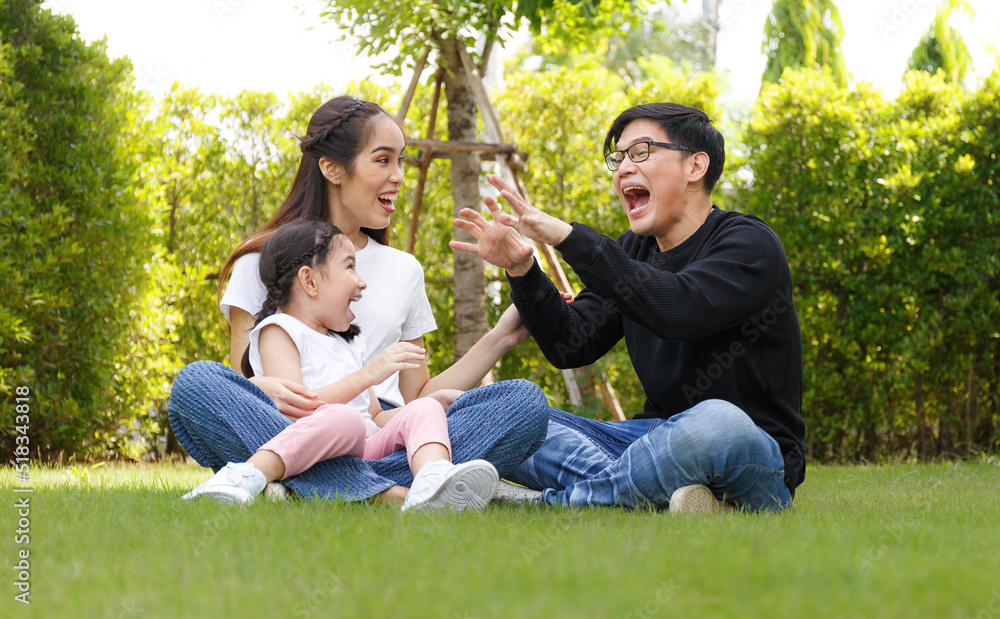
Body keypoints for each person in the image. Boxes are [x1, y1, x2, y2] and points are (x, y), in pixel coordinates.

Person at [168, 96, 548, 506]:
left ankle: (320, 487)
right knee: (196, 384)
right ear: (333, 169)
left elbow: (416, 396)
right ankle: (392, 494)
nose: (399, 175)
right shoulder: (261, 261)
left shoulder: (404, 270)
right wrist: (262, 388)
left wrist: (502, 336)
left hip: (384, 437)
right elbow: (243, 382)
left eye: (401, 161)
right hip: (290, 426)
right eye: (383, 160)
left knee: (522, 405)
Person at [450, 102, 806, 513]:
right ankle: (659, 494)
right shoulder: (633, 250)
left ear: (695, 166)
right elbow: (572, 343)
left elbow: (678, 308)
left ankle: (548, 504)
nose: (622, 169)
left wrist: (569, 237)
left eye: (640, 152)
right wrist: (522, 268)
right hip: (648, 439)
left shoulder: (749, 244)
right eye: (618, 158)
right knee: (495, 412)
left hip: (752, 453)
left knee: (715, 421)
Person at [182, 222, 500, 511]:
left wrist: (428, 407)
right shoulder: (279, 330)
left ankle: (432, 483)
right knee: (345, 419)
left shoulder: (348, 341)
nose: (361, 283)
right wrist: (367, 375)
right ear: (310, 280)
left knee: (422, 410)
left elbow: (374, 417)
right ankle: (248, 474)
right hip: (313, 442)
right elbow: (298, 408)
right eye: (350, 267)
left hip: (366, 444)